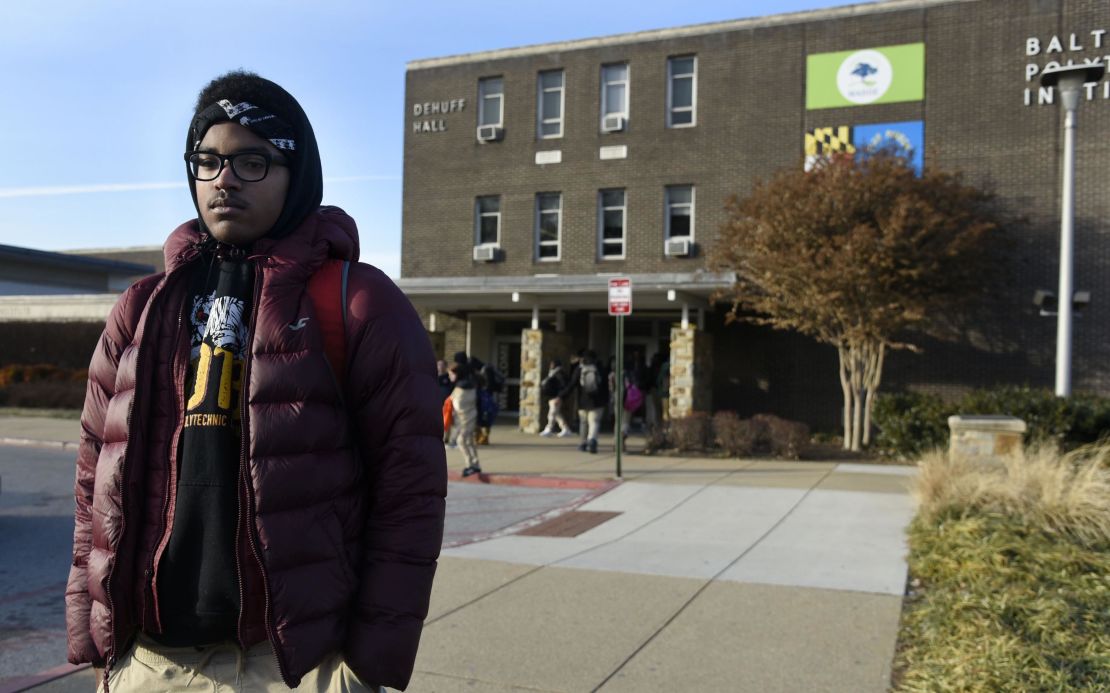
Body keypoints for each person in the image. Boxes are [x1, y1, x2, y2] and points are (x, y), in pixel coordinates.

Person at [65, 71, 446, 693]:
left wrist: (367, 662)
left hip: (293, 664)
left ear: (297, 174)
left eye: (252, 161)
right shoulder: (141, 307)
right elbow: (93, 484)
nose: (225, 180)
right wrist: (100, 642)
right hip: (151, 661)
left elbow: (410, 494)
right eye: (208, 161)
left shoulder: (357, 301)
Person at [556, 350, 608, 454]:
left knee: (584, 423)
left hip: (582, 401)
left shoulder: (580, 369)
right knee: (594, 422)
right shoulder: (601, 368)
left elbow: (571, 385)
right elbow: (605, 386)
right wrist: (606, 400)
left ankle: (583, 443)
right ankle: (592, 440)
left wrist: (561, 396)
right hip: (598, 402)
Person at [450, 362, 482, 477]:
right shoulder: (467, 386)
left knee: (461, 441)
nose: (450, 377)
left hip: (466, 419)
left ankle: (470, 465)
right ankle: (476, 464)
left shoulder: (463, 390)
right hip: (467, 418)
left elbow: (458, 406)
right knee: (469, 442)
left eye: (452, 374)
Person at [538, 359, 571, 437]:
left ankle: (549, 429)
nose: (551, 365)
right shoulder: (553, 373)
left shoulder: (559, 374)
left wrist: (559, 396)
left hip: (556, 397)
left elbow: (563, 386)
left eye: (552, 364)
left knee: (552, 414)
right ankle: (565, 428)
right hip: (551, 397)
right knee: (557, 414)